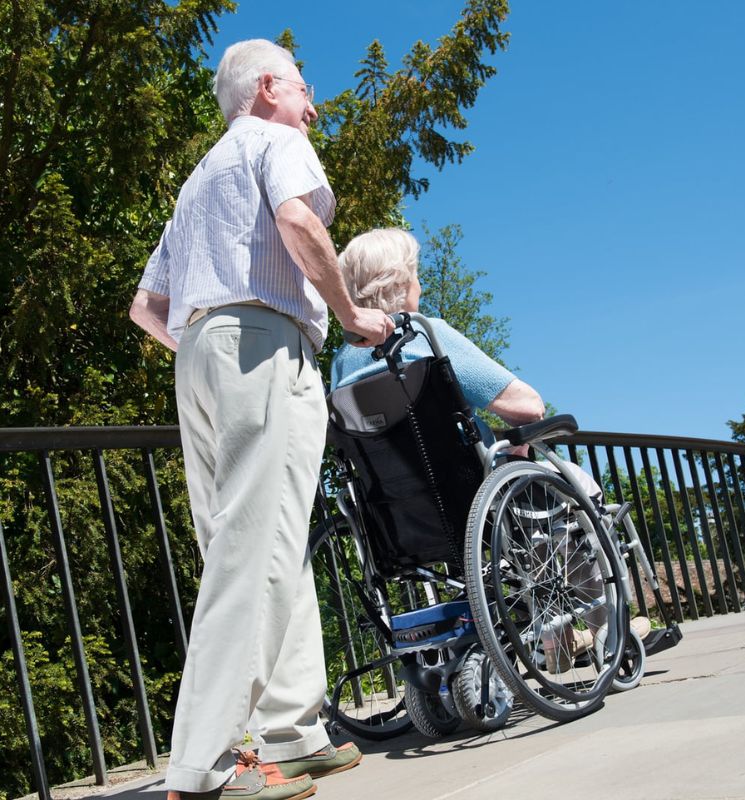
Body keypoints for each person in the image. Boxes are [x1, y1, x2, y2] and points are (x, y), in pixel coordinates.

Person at [129, 40, 395, 800]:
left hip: (203, 354)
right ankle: (205, 767)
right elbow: (297, 223)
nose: (314, 107)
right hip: (264, 342)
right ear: (270, 87)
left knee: (263, 540)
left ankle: (295, 733)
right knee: (255, 546)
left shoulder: (197, 180)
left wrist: (208, 342)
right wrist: (349, 314)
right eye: (306, 89)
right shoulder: (278, 141)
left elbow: (146, 306)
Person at [329, 228, 650, 660]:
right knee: (571, 488)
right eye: (416, 274)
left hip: (400, 523)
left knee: (521, 493)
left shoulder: (341, 363)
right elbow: (528, 406)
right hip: (473, 495)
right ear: (402, 282)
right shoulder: (424, 335)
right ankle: (608, 631)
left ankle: (554, 640)